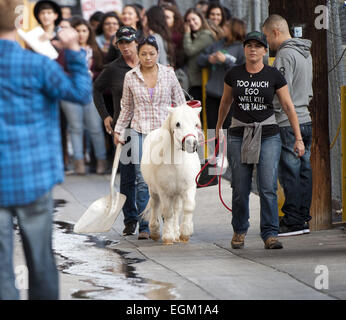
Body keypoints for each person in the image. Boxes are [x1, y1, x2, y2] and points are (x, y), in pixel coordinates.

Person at [0, 0, 92, 300]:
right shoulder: (37, 65)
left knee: (1, 270)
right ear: (18, 22)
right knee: (41, 262)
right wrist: (75, 51)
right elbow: (79, 93)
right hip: (34, 177)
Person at [215, 31, 305, 250]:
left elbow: (288, 106)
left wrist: (298, 138)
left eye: (258, 46)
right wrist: (218, 128)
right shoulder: (233, 74)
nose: (253, 49)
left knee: (267, 186)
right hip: (238, 134)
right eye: (249, 46)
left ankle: (270, 233)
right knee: (240, 186)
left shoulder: (274, 75)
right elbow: (225, 102)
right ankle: (239, 230)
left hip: (268, 135)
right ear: (244, 49)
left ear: (265, 50)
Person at [113, 36, 186, 240]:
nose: (147, 58)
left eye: (151, 54)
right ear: (138, 54)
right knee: (143, 179)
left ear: (158, 54)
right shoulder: (130, 76)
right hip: (139, 130)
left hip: (165, 134)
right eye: (143, 54)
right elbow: (126, 108)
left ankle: (168, 221)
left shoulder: (169, 74)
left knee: (167, 179)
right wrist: (119, 131)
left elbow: (180, 103)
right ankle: (145, 225)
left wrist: (191, 128)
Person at [262, 14, 313, 236]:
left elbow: (282, 92)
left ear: (275, 32)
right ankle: (302, 217)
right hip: (305, 118)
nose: (267, 43)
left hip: (287, 122)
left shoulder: (284, 54)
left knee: (290, 171)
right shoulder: (305, 52)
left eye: (266, 36)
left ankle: (292, 220)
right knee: (304, 170)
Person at [93, 26, 140, 236]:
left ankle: (150, 222)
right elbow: (96, 89)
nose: (126, 47)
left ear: (136, 42)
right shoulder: (113, 69)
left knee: (149, 178)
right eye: (122, 43)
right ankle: (130, 219)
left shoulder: (148, 63)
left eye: (129, 42)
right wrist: (106, 115)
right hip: (126, 129)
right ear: (117, 45)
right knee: (129, 177)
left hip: (150, 128)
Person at [60, 17, 106, 175]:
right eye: (77, 30)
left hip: (92, 92)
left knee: (95, 128)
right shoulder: (65, 50)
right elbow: (58, 70)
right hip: (70, 93)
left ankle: (101, 161)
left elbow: (103, 70)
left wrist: (92, 74)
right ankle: (78, 163)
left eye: (84, 30)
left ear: (89, 32)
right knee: (75, 128)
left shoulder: (95, 49)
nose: (81, 34)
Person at [198, 18, 246, 131]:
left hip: (231, 97)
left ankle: (226, 150)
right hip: (212, 95)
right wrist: (208, 59)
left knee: (228, 130)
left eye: (226, 26)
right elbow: (199, 60)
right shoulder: (217, 45)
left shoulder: (242, 48)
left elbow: (243, 71)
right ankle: (213, 149)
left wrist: (226, 61)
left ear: (234, 29)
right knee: (211, 130)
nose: (223, 28)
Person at [183, 8, 215, 103]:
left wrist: (187, 33)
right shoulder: (196, 35)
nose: (191, 23)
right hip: (192, 80)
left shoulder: (205, 35)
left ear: (201, 19)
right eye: (188, 21)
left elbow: (189, 50)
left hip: (200, 81)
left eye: (194, 19)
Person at [162, 4, 185, 69]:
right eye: (162, 17)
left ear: (175, 19)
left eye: (167, 17)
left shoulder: (178, 35)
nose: (164, 20)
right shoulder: (160, 32)